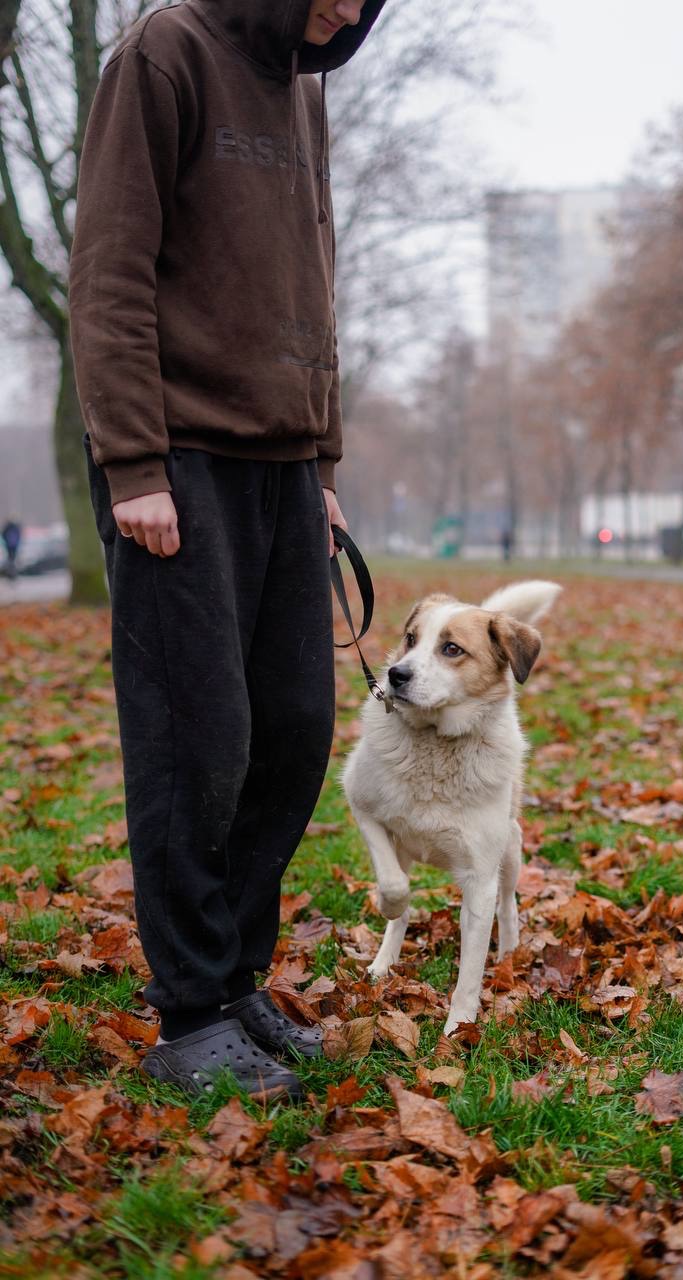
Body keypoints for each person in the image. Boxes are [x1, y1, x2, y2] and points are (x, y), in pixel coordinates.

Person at [69, 0, 385, 1101]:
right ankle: (190, 1009)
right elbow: (109, 270)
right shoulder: (163, 53)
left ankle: (236, 976)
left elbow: (314, 276)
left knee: (293, 734)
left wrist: (326, 465)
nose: (347, 9)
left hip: (287, 467)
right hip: (182, 462)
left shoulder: (303, 80)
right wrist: (134, 466)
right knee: (194, 742)